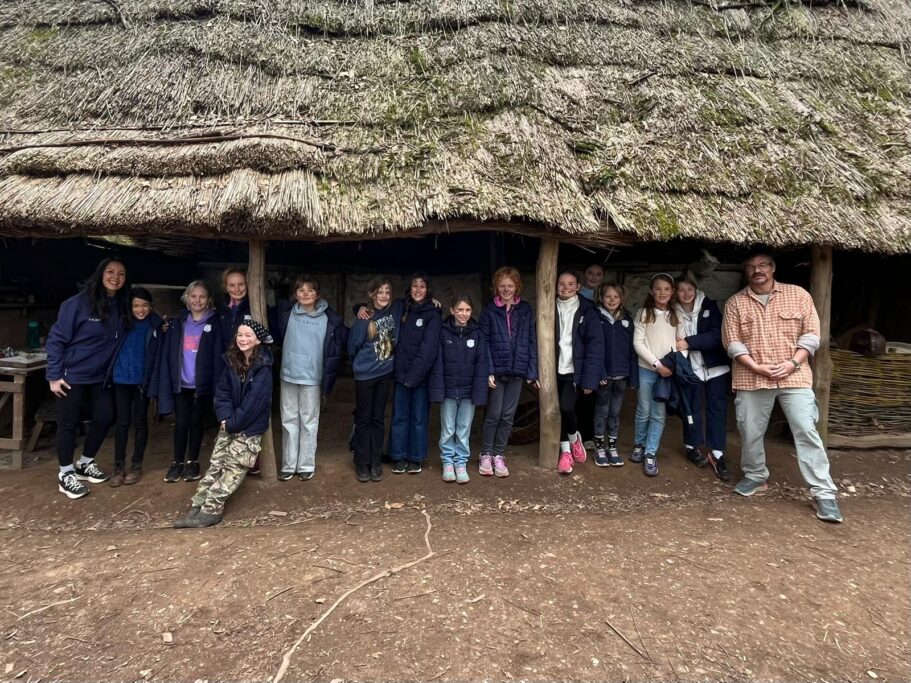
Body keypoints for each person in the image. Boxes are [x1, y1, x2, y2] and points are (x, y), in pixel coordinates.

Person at [722, 252, 842, 523]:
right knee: (750, 430)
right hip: (752, 377)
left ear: (773, 268)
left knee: (806, 429)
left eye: (762, 265)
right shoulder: (736, 303)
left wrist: (793, 363)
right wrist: (756, 367)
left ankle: (823, 492)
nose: (757, 270)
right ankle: (756, 476)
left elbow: (812, 335)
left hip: (794, 376)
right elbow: (732, 342)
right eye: (751, 267)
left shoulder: (798, 295)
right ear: (746, 272)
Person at [173, 320, 274, 528]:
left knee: (233, 468)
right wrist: (225, 418)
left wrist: (233, 423)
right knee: (216, 464)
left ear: (257, 340)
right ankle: (199, 504)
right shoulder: (232, 361)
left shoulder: (263, 367)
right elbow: (222, 392)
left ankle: (211, 511)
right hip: (229, 422)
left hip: (249, 427)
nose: (243, 339)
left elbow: (254, 403)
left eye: (248, 335)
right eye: (240, 335)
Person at [46, 257, 129, 499]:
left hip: (100, 376)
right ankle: (65, 474)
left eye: (121, 274)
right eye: (110, 272)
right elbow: (56, 339)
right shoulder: (77, 304)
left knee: (105, 416)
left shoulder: (119, 305)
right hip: (72, 375)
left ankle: (85, 463)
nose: (115, 277)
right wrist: (53, 376)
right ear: (101, 273)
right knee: (68, 424)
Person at [273, 275, 347, 481]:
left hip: (313, 376)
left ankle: (306, 464)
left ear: (318, 294)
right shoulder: (286, 314)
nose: (305, 294)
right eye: (301, 290)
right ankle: (289, 464)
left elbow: (338, 345)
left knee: (309, 421)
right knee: (288, 420)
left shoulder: (328, 319)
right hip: (288, 374)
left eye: (310, 290)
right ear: (295, 294)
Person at [154, 280, 223, 484]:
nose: (197, 300)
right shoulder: (177, 324)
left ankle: (192, 461)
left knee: (196, 422)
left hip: (201, 384)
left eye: (202, 296)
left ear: (209, 300)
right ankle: (177, 462)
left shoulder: (215, 323)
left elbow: (218, 355)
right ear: (187, 299)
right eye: (193, 296)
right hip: (181, 384)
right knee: (181, 423)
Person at [478, 267, 538, 478]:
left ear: (517, 286)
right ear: (496, 287)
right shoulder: (489, 310)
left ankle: (499, 454)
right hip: (497, 370)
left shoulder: (525, 310)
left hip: (517, 370)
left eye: (510, 286)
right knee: (494, 414)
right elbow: (484, 342)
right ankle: (486, 453)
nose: (506, 289)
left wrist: (532, 372)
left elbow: (531, 341)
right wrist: (488, 370)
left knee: (507, 416)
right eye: (502, 286)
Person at [674, 276, 732, 481]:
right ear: (675, 293)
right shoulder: (673, 311)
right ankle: (692, 445)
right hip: (691, 369)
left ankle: (717, 453)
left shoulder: (710, 307)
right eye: (681, 290)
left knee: (717, 409)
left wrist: (688, 342)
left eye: (689, 289)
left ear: (696, 289)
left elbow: (716, 336)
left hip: (716, 367)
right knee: (691, 408)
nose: (686, 293)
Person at [429, 294, 488, 484]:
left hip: (469, 391)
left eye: (467, 310)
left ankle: (460, 463)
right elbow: (438, 363)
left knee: (463, 429)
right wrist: (438, 388)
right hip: (448, 390)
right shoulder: (443, 332)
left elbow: (482, 364)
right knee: (448, 429)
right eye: (460, 309)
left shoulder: (477, 334)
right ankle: (447, 462)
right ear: (452, 310)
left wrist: (479, 390)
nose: (463, 314)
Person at [108, 287, 163, 486]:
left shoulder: (155, 326)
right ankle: (119, 467)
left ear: (151, 306)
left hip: (142, 381)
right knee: (122, 423)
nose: (140, 309)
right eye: (136, 306)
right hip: (121, 379)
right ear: (129, 307)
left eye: (144, 305)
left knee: (140, 422)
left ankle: (136, 465)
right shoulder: (122, 324)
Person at [388, 273, 442, 474]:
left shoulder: (433, 314)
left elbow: (429, 350)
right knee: (399, 416)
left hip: (421, 377)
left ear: (428, 290)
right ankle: (398, 456)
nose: (418, 290)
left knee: (419, 418)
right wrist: (359, 308)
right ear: (409, 289)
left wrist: (413, 377)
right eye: (414, 286)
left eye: (422, 286)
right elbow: (377, 305)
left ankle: (415, 457)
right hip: (400, 374)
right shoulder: (402, 307)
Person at [348, 276, 400, 482]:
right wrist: (362, 365)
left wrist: (432, 300)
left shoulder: (394, 311)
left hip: (384, 373)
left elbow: (413, 300)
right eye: (380, 292)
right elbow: (353, 347)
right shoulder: (364, 318)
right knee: (364, 418)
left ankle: (375, 460)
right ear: (372, 295)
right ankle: (362, 461)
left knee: (378, 418)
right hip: (365, 375)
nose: (384, 296)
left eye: (387, 292)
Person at [632, 273, 683, 477]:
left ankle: (650, 451)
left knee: (659, 412)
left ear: (672, 292)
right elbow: (638, 342)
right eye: (658, 289)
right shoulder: (644, 313)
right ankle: (639, 443)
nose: (662, 292)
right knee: (644, 409)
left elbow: (681, 342)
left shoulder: (676, 315)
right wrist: (656, 363)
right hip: (647, 369)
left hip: (667, 372)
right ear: (651, 291)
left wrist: (673, 363)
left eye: (667, 289)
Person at [554, 269, 603, 474]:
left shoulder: (587, 311)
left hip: (574, 370)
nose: (566, 288)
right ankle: (566, 453)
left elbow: (595, 346)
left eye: (570, 284)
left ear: (578, 287)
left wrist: (590, 380)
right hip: (552, 370)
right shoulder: (548, 308)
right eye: (561, 284)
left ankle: (574, 438)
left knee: (566, 408)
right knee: (555, 412)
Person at [591, 283, 638, 468]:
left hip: (622, 375)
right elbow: (594, 349)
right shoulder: (596, 318)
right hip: (604, 375)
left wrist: (633, 377)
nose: (612, 300)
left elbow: (633, 351)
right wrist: (599, 372)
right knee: (601, 411)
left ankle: (612, 446)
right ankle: (599, 447)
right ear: (601, 298)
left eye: (616, 297)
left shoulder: (627, 320)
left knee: (615, 412)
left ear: (621, 299)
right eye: (608, 296)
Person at [215, 268, 251, 351]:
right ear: (226, 287)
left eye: (241, 284)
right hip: (225, 357)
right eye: (232, 285)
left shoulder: (255, 308)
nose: (237, 289)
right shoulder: (220, 310)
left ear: (247, 285)